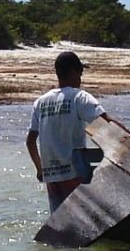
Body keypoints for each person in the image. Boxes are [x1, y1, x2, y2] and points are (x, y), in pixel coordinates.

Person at [26, 50, 103, 210]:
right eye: (80, 73)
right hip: (74, 171)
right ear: (74, 72)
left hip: (52, 175)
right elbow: (106, 122)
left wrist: (40, 168)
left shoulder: (41, 102)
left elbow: (30, 141)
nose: (81, 78)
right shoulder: (79, 97)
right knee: (81, 220)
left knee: (60, 222)